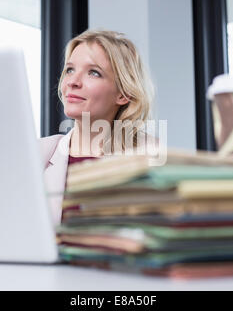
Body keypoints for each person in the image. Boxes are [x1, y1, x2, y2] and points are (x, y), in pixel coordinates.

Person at [38, 29, 156, 226]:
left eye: (93, 72)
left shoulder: (153, 157)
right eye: (70, 70)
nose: (73, 82)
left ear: (123, 94)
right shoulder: (36, 154)